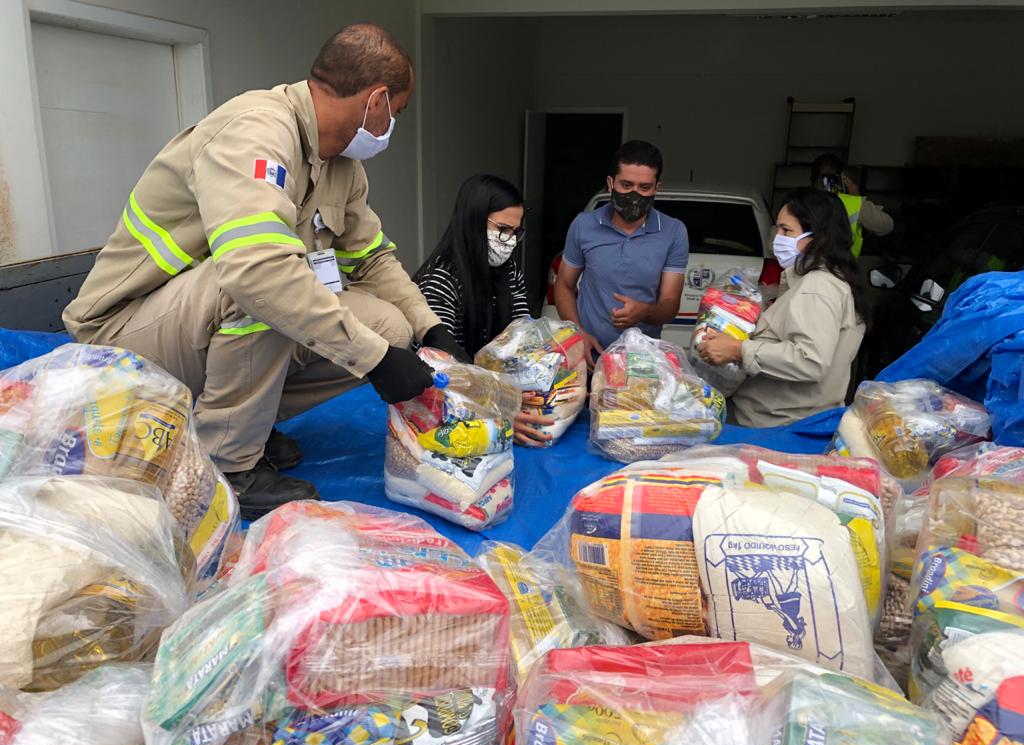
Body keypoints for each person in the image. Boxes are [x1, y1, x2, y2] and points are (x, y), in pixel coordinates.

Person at [62, 24, 466, 520]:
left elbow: (373, 257)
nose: (391, 126)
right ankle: (228, 465)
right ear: (377, 100)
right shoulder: (254, 130)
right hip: (125, 340)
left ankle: (246, 422)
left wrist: (430, 329)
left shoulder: (340, 165)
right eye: (397, 113)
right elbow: (256, 272)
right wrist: (375, 362)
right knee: (265, 284)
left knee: (388, 326)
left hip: (196, 332)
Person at [697, 187, 868, 427]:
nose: (777, 237)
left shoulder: (817, 286)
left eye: (787, 230)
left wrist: (739, 350)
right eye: (779, 228)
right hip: (784, 420)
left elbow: (810, 360)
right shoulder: (820, 280)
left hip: (779, 426)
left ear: (818, 237)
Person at [415, 174, 555, 447]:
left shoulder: (509, 271)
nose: (510, 241)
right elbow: (441, 370)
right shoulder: (440, 280)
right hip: (449, 402)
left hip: (493, 394)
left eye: (515, 232)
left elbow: (522, 338)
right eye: (503, 229)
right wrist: (498, 413)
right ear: (474, 221)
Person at [554, 140, 688, 369]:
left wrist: (643, 311)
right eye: (626, 185)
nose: (634, 194)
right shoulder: (583, 225)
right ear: (610, 183)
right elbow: (564, 285)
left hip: (641, 364)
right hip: (587, 358)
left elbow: (670, 304)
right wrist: (577, 333)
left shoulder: (673, 232)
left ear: (657, 188)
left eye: (644, 188)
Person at [811, 153, 894, 258]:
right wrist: (857, 198)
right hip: (841, 268)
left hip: (804, 268)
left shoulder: (797, 201)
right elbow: (887, 226)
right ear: (841, 178)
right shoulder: (852, 203)